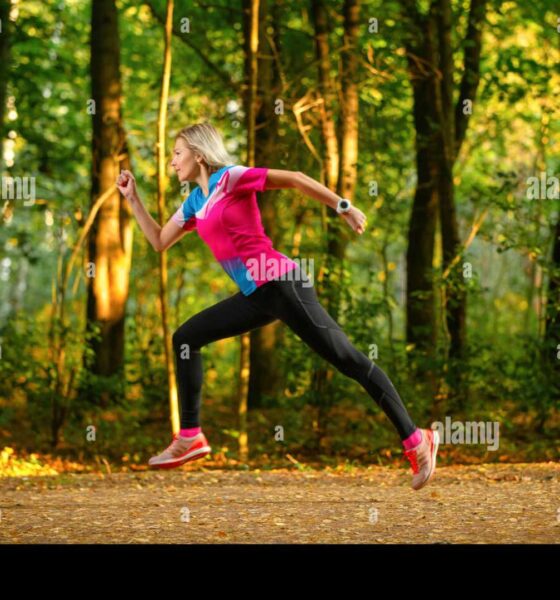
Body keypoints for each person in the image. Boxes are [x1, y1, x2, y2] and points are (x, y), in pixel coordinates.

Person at [116, 121, 439, 490]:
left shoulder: (231, 178)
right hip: (256, 297)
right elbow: (159, 240)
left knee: (346, 357)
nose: (172, 162)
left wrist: (342, 205)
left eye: (177, 153)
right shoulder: (195, 201)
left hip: (282, 283)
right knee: (186, 338)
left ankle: (417, 439)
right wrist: (132, 199)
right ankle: (190, 436)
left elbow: (296, 179)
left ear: (199, 154)